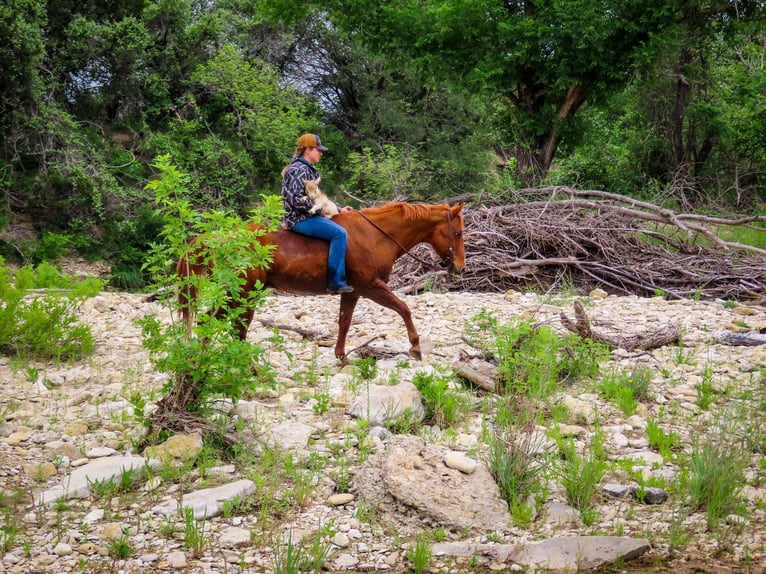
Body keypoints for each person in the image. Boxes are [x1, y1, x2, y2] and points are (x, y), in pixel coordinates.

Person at [281, 133, 355, 294]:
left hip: (308, 215)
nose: (321, 153)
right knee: (340, 234)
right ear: (308, 150)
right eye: (318, 150)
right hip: (299, 218)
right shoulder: (299, 170)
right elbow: (293, 198)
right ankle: (336, 281)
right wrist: (319, 210)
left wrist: (338, 209)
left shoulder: (306, 169)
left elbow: (318, 197)